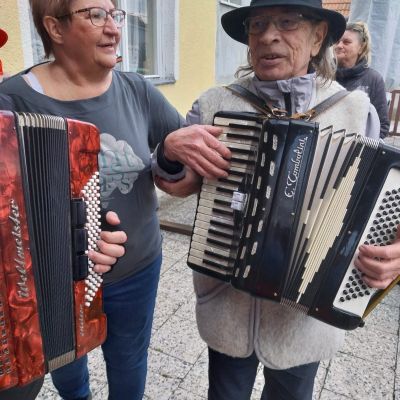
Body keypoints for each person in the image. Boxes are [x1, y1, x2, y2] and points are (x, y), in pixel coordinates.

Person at [156, 1, 400, 399]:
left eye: (287, 23)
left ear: (318, 35)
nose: (268, 36)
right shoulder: (217, 104)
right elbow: (180, 183)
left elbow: (385, 201)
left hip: (304, 321)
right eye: (258, 25)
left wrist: (395, 250)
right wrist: (168, 152)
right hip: (226, 306)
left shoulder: (356, 111)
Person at [0, 1, 231, 399]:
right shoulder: (12, 100)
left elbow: (186, 176)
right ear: (54, 28)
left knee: (129, 360)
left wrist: (171, 154)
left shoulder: (137, 89)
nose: (114, 29)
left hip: (136, 268)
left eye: (115, 14)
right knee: (66, 363)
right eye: (96, 15)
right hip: (55, 278)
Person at [334, 21, 390, 138]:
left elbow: (382, 126)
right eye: (337, 41)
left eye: (346, 42)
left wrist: (362, 151)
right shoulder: (323, 75)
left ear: (361, 48)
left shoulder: (374, 79)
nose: (339, 46)